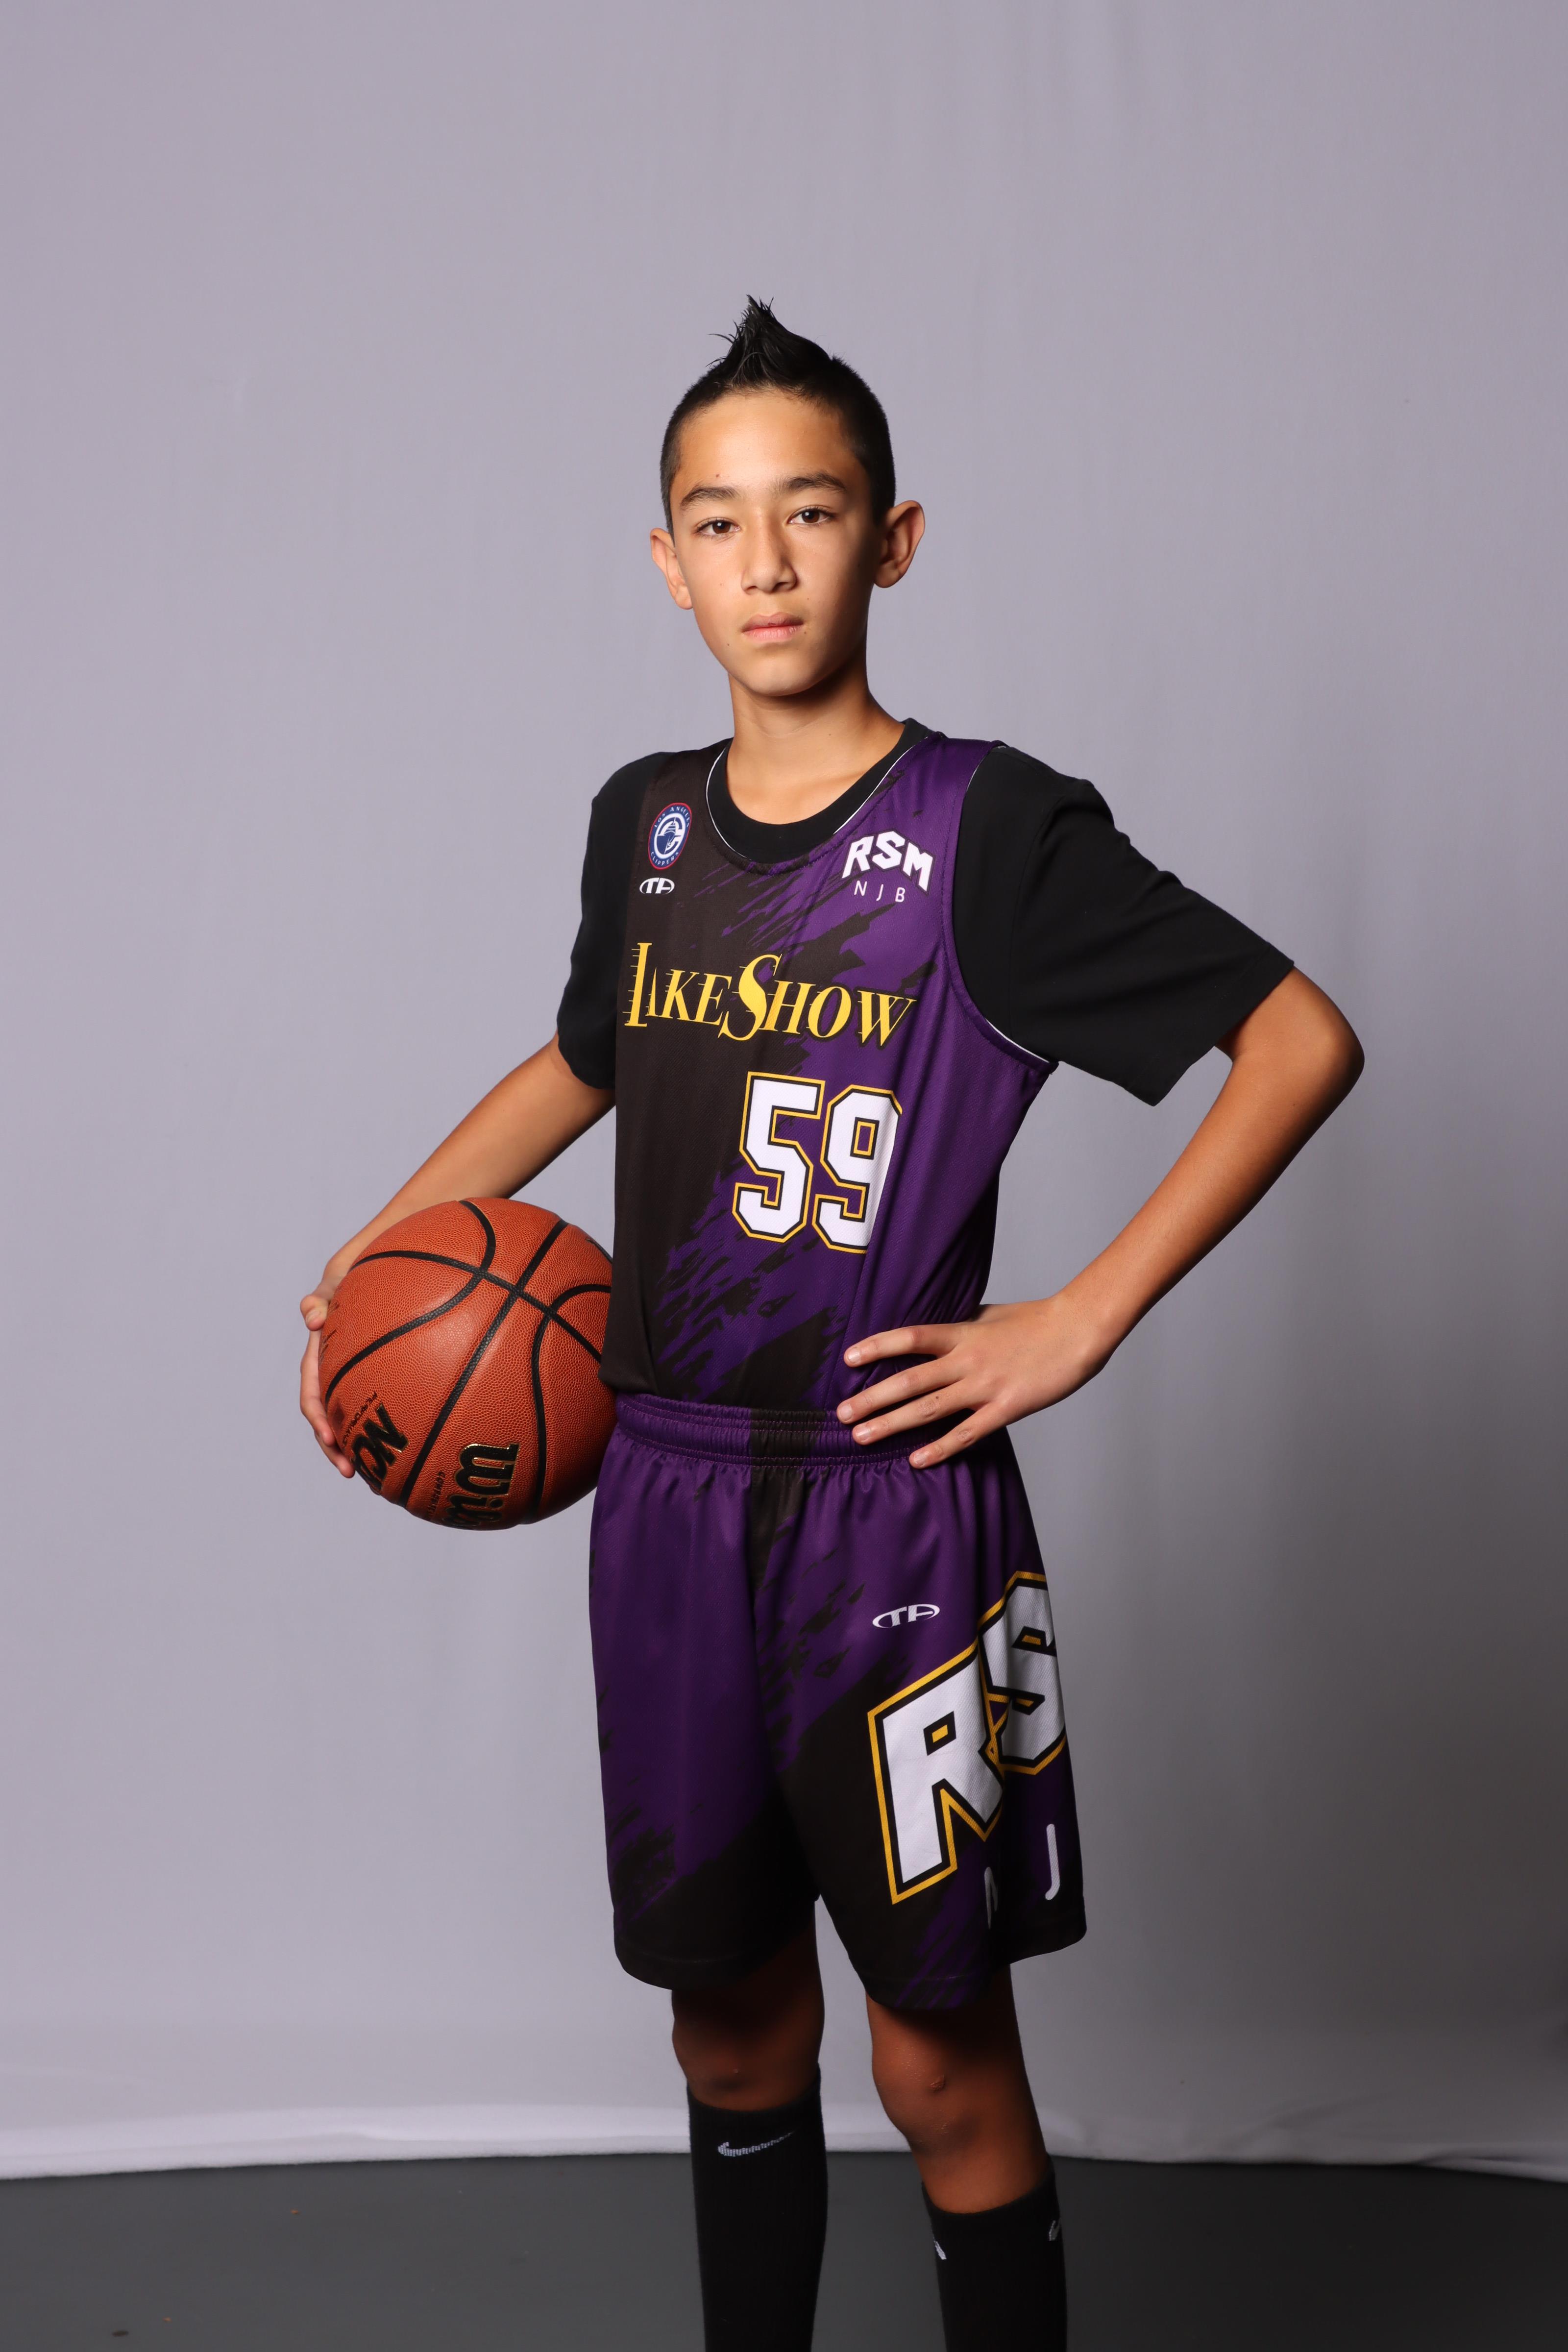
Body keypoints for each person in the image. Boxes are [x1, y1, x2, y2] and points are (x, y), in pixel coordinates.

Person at [299, 300, 1362, 2350]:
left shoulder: (988, 830)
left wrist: (1081, 1318)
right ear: (665, 560)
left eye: (812, 511)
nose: (765, 560)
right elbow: (585, 1055)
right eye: (718, 521)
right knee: (725, 2027)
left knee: (936, 2057)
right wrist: (377, 1256)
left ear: (893, 539)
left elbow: (1297, 1038)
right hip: (665, 1488)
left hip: (888, 1507)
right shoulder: (646, 820)